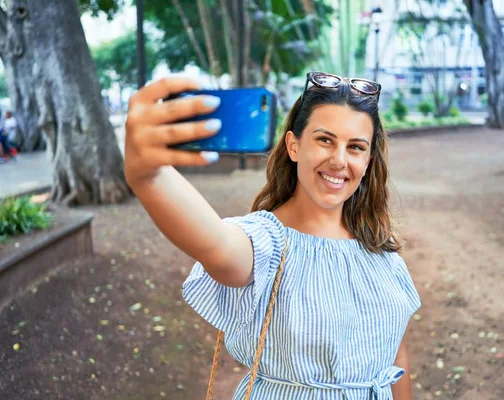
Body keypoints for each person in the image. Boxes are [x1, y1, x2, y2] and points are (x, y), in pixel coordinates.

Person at [124, 73, 421, 400]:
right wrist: (148, 177)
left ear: (367, 160)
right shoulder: (268, 241)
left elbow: (395, 359)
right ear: (294, 146)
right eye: (325, 140)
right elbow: (217, 245)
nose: (339, 160)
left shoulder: (381, 253)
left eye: (355, 147)